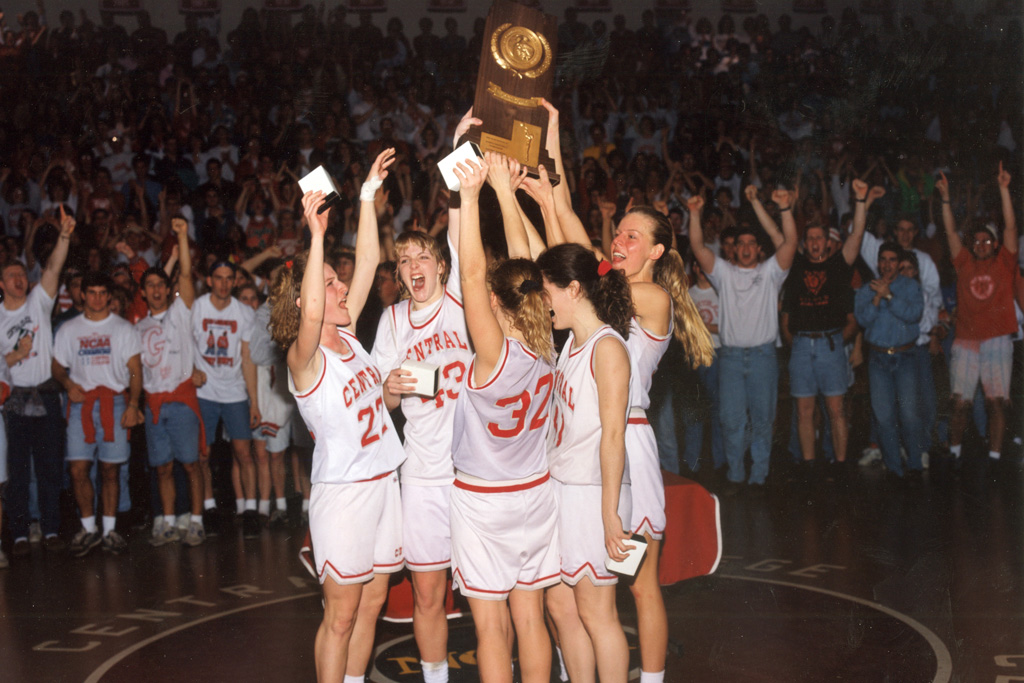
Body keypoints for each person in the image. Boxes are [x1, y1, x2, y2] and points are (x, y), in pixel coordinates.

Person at [270, 148, 402, 683]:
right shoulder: (304, 360)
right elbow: (315, 304)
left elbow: (368, 263)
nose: (342, 286)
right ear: (305, 302)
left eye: (337, 280)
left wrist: (367, 196)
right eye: (329, 283)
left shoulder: (349, 337)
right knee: (341, 615)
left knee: (371, 607)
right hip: (344, 494)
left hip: (383, 483)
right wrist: (315, 236)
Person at [373, 114, 476, 683]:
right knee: (429, 592)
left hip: (477, 470)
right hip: (424, 474)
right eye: (404, 261)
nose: (413, 268)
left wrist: (461, 149)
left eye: (422, 259)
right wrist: (390, 387)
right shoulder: (390, 320)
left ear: (441, 266)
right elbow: (386, 403)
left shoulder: (459, 298)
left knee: (495, 593)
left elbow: (460, 222)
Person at [448, 157, 559, 683]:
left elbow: (471, 272)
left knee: (492, 629)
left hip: (484, 501)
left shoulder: (493, 353)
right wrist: (502, 191)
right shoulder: (551, 344)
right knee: (531, 618)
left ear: (495, 302)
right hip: (536, 494)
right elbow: (525, 269)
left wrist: (472, 197)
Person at [537, 243, 634, 683]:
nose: (543, 303)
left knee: (598, 613)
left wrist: (610, 513)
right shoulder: (569, 345)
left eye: (546, 291)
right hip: (563, 489)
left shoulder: (607, 346)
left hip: (596, 494)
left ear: (573, 289)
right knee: (559, 605)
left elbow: (614, 435)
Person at [688, 189, 798, 494]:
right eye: (741, 244)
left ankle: (759, 476)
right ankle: (736, 476)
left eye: (752, 243)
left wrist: (785, 209)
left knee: (763, 420)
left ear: (759, 250)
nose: (746, 248)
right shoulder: (723, 273)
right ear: (732, 250)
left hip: (763, 357)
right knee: (731, 420)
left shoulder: (771, 273)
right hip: (732, 359)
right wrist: (694, 213)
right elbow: (697, 246)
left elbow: (790, 243)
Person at [779, 179, 875, 478]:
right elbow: (785, 317)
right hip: (802, 347)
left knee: (836, 409)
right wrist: (796, 343)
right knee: (805, 412)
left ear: (827, 241)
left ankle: (841, 465)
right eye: (811, 238)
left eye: (820, 238)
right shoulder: (795, 268)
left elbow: (857, 235)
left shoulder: (837, 265)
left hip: (831, 346)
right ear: (806, 242)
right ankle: (809, 467)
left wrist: (859, 201)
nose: (815, 243)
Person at [0, 206, 73, 557]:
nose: (17, 278)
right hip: (14, 397)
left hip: (45, 393)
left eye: (20, 273)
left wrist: (64, 236)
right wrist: (13, 355)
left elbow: (55, 266)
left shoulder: (38, 303)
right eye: (10, 275)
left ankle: (52, 528)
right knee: (16, 471)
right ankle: (17, 535)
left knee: (48, 467)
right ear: (1, 284)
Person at [53, 271, 143, 556]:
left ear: (109, 296)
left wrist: (133, 405)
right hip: (82, 404)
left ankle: (109, 529)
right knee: (78, 469)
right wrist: (68, 384)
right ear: (82, 295)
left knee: (110, 469)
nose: (97, 298)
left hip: (114, 402)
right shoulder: (69, 329)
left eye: (102, 293)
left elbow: (135, 370)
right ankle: (89, 527)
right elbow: (56, 366)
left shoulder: (123, 328)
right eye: (91, 292)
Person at [938, 165, 1018, 468]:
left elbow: (1011, 228)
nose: (981, 244)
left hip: (998, 340)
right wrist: (945, 199)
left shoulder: (1004, 264)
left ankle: (995, 459)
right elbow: (949, 232)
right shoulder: (963, 263)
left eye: (987, 240)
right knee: (960, 403)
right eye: (977, 241)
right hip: (967, 341)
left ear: (995, 245)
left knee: (997, 403)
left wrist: (1003, 190)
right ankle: (955, 456)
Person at [136, 218, 206, 547]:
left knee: (191, 465)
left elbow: (187, 276)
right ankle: (164, 521)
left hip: (181, 402)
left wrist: (180, 235)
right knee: (162, 468)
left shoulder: (181, 311)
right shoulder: (136, 328)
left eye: (160, 284)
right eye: (149, 285)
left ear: (168, 288)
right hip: (153, 405)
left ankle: (195, 520)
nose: (156, 289)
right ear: (144, 292)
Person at [191, 258, 261, 537]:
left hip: (233, 391)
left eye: (228, 278)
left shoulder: (244, 313)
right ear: (209, 280)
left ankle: (251, 509)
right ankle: (208, 507)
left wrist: (253, 401)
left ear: (234, 281)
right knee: (203, 454)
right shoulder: (197, 307)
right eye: (217, 278)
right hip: (204, 391)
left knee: (244, 452)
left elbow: (247, 358)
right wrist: (191, 370)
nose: (223, 283)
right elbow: (184, 345)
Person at [854, 241, 924, 480]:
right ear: (878, 263)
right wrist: (877, 297)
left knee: (909, 415)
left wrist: (890, 296)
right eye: (883, 260)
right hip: (878, 359)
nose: (887, 264)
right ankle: (894, 468)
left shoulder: (911, 286)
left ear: (898, 262)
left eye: (892, 260)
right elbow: (863, 320)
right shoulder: (866, 289)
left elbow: (914, 314)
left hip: (905, 357)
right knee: (883, 416)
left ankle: (914, 465)